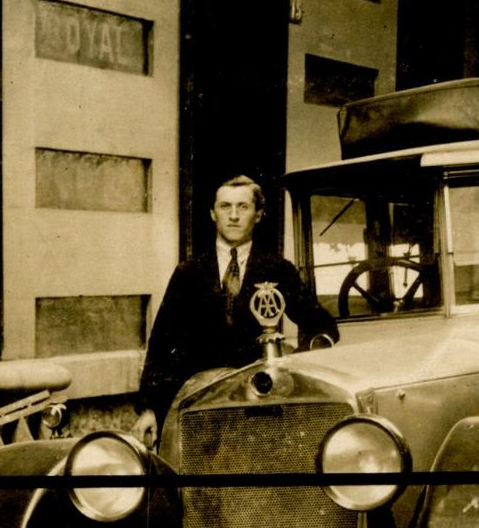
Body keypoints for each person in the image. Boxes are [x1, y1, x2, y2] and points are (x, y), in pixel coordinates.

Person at [132, 175, 337, 446]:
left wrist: (289, 370)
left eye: (243, 207)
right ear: (213, 214)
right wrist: (149, 409)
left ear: (258, 214)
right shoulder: (188, 273)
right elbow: (160, 345)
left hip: (261, 405)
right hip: (199, 405)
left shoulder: (278, 269)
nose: (233, 216)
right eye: (225, 207)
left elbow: (321, 326)